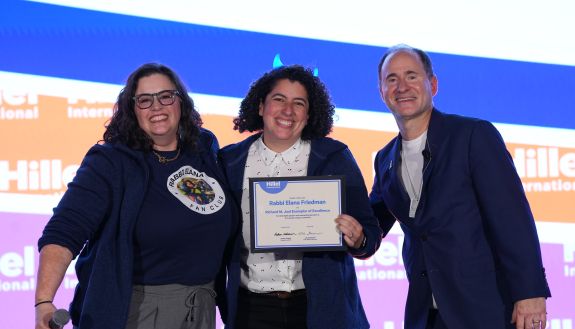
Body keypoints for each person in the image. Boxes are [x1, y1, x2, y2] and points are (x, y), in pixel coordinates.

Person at [35, 63, 237, 329]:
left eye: (166, 96)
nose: (156, 107)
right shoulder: (110, 162)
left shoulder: (203, 149)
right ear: (132, 109)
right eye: (144, 100)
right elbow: (64, 230)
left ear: (181, 102)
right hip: (136, 312)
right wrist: (44, 301)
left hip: (200, 308)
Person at [369, 44, 551, 329]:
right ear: (381, 92)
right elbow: (370, 227)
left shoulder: (473, 136)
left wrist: (530, 292)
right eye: (392, 79)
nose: (402, 87)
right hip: (425, 315)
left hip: (486, 310)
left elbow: (512, 219)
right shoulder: (385, 159)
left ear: (433, 84)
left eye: (412, 76)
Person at [218, 65, 382, 329]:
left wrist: (359, 238)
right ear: (261, 107)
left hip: (321, 309)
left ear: (308, 114)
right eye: (279, 99)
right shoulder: (229, 162)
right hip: (252, 310)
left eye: (299, 103)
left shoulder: (334, 157)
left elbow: (370, 233)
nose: (287, 111)